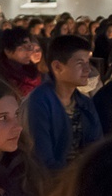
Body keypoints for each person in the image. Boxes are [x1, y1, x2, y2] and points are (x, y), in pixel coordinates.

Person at [23, 35, 103, 171]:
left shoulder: (84, 102)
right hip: (54, 183)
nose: (87, 69)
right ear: (57, 67)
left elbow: (97, 147)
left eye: (88, 62)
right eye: (80, 63)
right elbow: (43, 159)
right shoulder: (39, 101)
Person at [0, 27, 41, 97]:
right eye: (22, 49)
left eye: (29, 47)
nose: (29, 53)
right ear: (8, 51)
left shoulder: (33, 71)